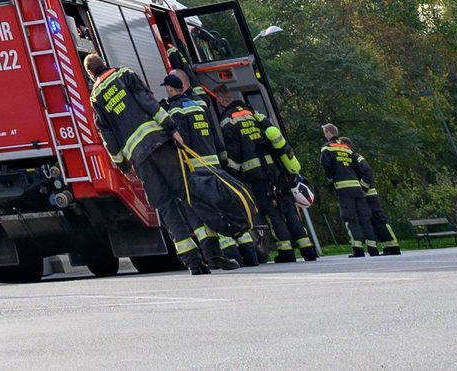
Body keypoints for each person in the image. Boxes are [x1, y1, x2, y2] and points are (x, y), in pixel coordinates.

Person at [84, 55, 216, 275]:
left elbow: (107, 136)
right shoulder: (124, 74)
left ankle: (193, 262)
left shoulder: (95, 96)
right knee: (185, 194)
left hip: (139, 159)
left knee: (165, 206)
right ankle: (211, 253)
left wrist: (123, 167)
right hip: (160, 144)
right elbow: (149, 103)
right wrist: (172, 129)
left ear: (90, 74)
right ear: (104, 63)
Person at [160, 74, 254, 266]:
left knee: (207, 213)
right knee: (225, 207)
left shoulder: (175, 110)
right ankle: (249, 254)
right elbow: (212, 135)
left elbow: (181, 139)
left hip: (195, 168)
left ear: (170, 89)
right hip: (213, 164)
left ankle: (229, 254)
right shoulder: (200, 105)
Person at [217, 89, 314, 262]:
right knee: (289, 209)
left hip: (255, 175)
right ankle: (308, 250)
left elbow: (234, 152)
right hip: (276, 170)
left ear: (220, 100)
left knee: (272, 212)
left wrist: (231, 174)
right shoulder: (255, 113)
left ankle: (287, 252)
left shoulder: (228, 120)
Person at [312, 121, 400, 255]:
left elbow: (366, 173)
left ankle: (366, 248)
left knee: (357, 218)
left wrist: (361, 188)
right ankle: (375, 248)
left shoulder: (349, 154)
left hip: (359, 191)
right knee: (367, 219)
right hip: (359, 190)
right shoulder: (349, 153)